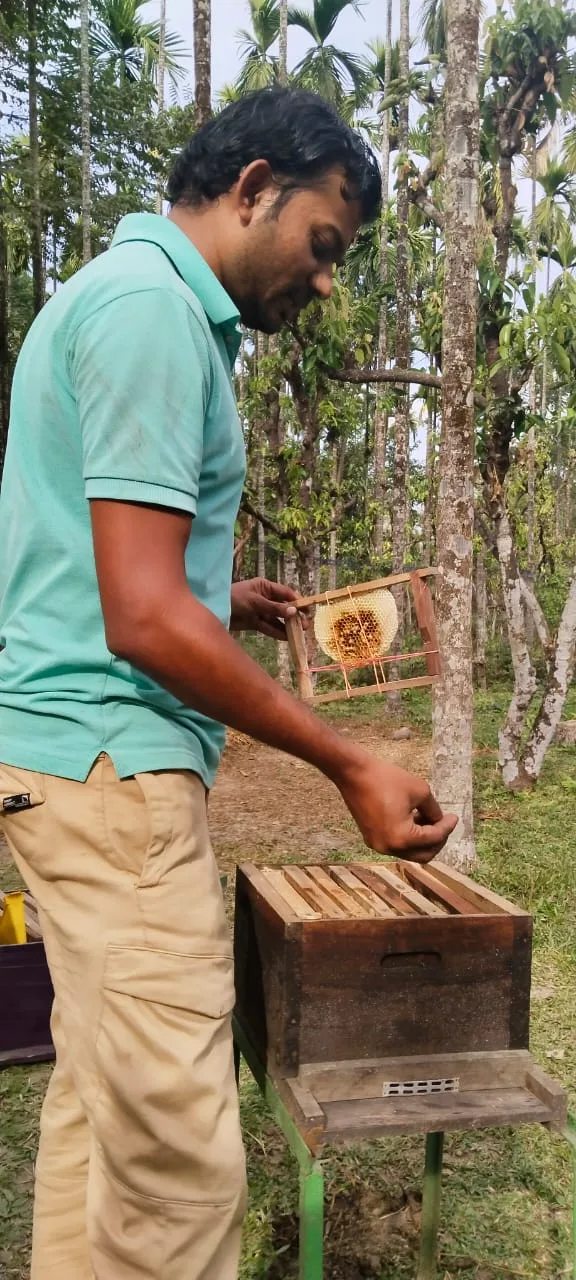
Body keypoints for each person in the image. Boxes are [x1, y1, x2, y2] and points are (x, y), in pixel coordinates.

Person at [0, 87, 457, 1280]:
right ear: (254, 186)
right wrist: (351, 755)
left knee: (104, 1116)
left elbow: (107, 560)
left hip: (62, 762)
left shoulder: (112, 293)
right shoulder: (155, 311)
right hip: (118, 766)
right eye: (323, 245)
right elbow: (140, 615)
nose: (323, 280)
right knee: (181, 1173)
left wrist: (225, 600)